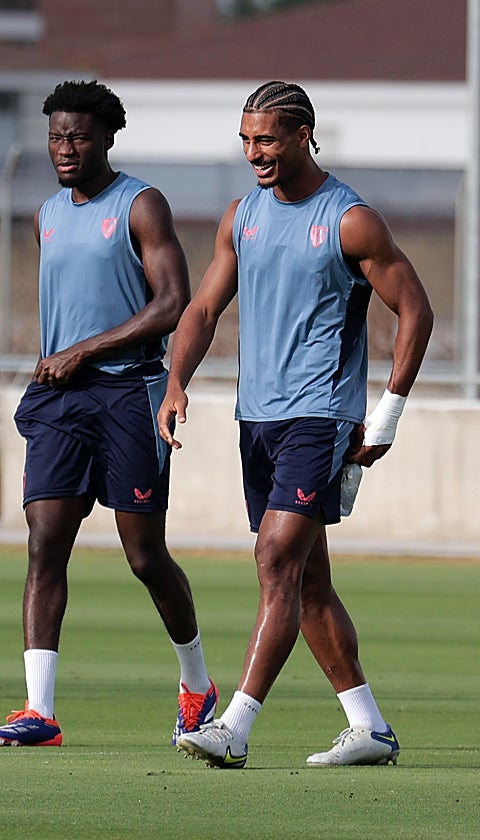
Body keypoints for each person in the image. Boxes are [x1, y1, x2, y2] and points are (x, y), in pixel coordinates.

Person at [161, 81, 434, 767]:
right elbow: (201, 310)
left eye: (269, 139)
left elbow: (416, 311)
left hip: (322, 416)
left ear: (304, 133)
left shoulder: (350, 220)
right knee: (306, 582)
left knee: (275, 561)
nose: (256, 152)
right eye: (247, 140)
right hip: (257, 418)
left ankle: (236, 727)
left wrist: (389, 413)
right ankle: (368, 727)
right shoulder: (241, 216)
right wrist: (175, 381)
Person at [0, 80, 216, 749]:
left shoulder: (140, 204)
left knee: (144, 557)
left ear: (107, 138)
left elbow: (173, 301)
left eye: (79, 137)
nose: (65, 149)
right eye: (56, 136)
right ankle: (40, 711)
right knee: (44, 545)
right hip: (62, 402)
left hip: (128, 394)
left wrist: (84, 349)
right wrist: (60, 361)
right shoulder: (46, 213)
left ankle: (197, 684)